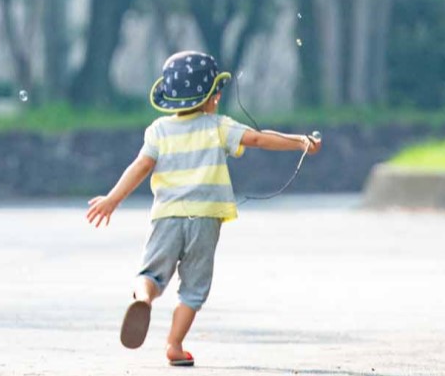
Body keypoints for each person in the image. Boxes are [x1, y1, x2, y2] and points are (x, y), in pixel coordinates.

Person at [85, 51, 321, 367]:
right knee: (193, 289)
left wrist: (112, 199)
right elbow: (260, 139)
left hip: (167, 216)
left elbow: (140, 166)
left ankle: (143, 298)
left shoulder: (158, 130)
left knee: (151, 274)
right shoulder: (219, 126)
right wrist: (300, 141)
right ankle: (174, 345)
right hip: (206, 219)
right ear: (211, 97)